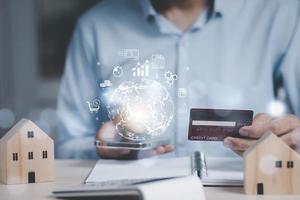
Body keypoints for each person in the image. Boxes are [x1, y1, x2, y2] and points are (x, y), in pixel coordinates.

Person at [57, 0, 300, 159]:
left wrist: (294, 138)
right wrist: (109, 148)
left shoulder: (283, 14)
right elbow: (68, 148)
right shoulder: (95, 27)